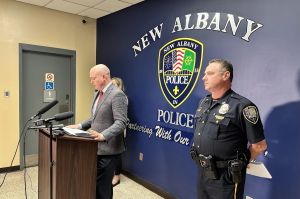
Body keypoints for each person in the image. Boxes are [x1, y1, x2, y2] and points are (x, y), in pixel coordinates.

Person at [191, 59, 267, 199]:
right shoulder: (204, 102)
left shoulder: (242, 106)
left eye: (210, 73)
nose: (204, 77)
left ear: (225, 76)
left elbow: (260, 145)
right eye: (204, 73)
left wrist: (243, 161)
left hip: (226, 179)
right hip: (202, 171)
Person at [67, 64, 128, 199]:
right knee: (99, 186)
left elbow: (121, 122)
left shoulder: (117, 95)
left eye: (93, 78)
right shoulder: (97, 94)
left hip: (109, 149)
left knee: (102, 188)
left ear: (104, 77)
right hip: (95, 147)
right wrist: (79, 125)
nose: (91, 81)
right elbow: (94, 118)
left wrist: (103, 135)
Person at [111, 77, 127, 187]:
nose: (113, 87)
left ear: (120, 86)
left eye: (116, 85)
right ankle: (111, 173)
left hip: (117, 129)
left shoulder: (122, 97)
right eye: (111, 84)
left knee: (117, 153)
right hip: (108, 128)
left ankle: (117, 176)